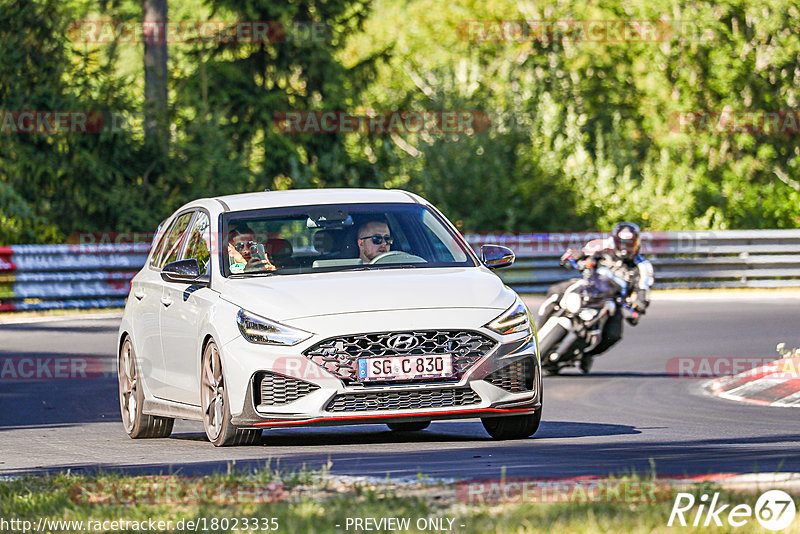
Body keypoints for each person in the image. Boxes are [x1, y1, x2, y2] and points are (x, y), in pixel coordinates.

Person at [541, 222, 654, 369]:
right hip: (587, 287)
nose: (626, 248)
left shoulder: (642, 266)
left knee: (613, 334)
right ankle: (537, 328)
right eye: (623, 243)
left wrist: (639, 304)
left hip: (612, 300)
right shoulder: (601, 247)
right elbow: (579, 255)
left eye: (630, 244)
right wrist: (573, 257)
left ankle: (587, 354)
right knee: (555, 291)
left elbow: (643, 288)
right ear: (615, 241)